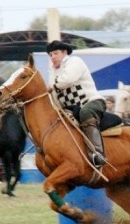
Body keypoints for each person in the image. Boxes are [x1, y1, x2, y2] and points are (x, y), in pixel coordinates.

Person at [46, 40, 107, 168]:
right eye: (50, 55)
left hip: (92, 102)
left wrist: (51, 86)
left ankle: (97, 153)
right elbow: (55, 97)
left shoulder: (75, 62)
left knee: (86, 112)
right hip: (71, 109)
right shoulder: (52, 71)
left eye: (55, 53)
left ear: (64, 52)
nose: (53, 57)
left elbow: (67, 80)